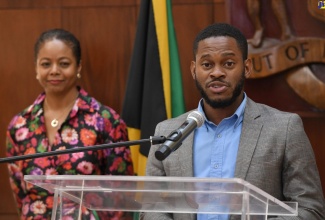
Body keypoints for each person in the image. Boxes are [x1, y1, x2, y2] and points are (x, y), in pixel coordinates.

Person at [141, 23, 325, 219]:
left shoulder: (284, 129)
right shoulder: (168, 132)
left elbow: (310, 208)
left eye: (228, 63)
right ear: (194, 70)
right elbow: (151, 208)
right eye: (207, 64)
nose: (217, 73)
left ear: (246, 68)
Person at [6, 28, 134, 219]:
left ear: (78, 67)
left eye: (64, 63)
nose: (54, 71)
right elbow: (20, 192)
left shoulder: (106, 120)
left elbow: (121, 192)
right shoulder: (19, 126)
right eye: (46, 64)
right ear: (36, 68)